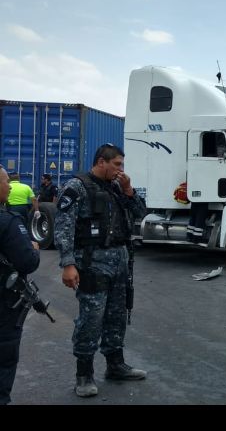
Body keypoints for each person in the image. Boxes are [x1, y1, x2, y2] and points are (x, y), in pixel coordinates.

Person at [54, 144, 147, 398]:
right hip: (92, 262)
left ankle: (115, 364)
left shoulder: (118, 187)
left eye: (122, 165)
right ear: (101, 162)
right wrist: (68, 263)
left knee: (117, 315)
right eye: (117, 164)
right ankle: (84, 374)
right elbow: (63, 227)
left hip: (119, 260)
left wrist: (129, 189)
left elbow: (140, 212)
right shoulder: (77, 187)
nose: (120, 170)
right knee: (91, 318)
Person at [0, 166, 40, 405]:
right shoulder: (7, 222)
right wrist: (34, 249)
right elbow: (27, 262)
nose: (9, 186)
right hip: (3, 307)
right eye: (6, 182)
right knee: (4, 359)